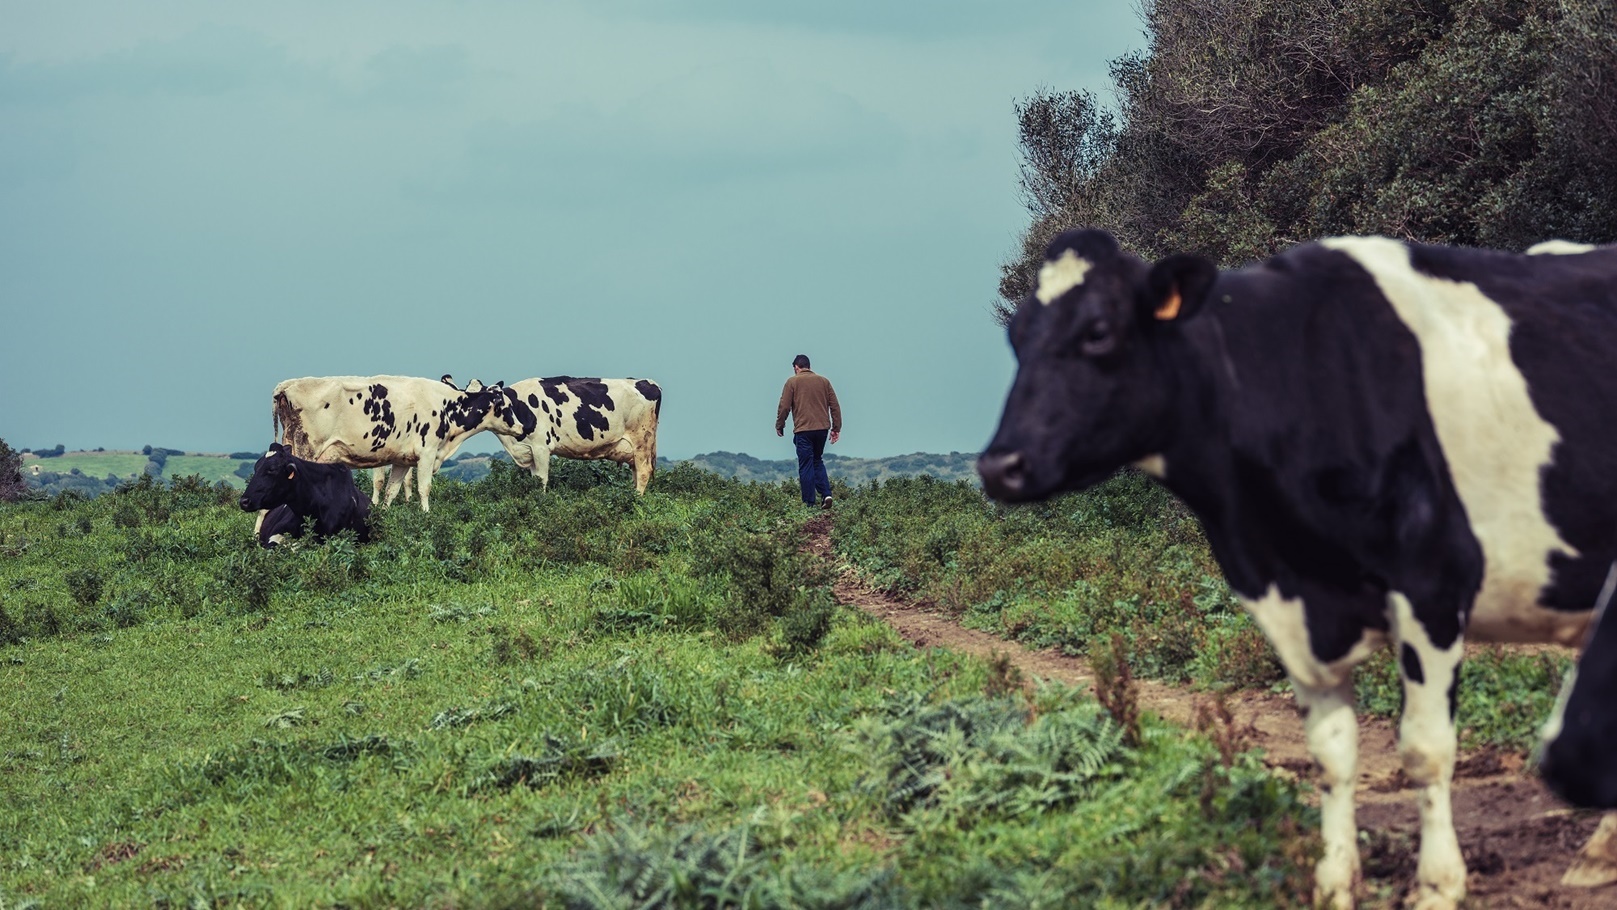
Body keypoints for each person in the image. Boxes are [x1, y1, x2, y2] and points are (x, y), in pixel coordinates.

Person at [775, 354, 842, 509]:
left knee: (805, 464)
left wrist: (780, 424)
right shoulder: (824, 381)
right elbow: (835, 406)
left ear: (796, 367)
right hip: (822, 429)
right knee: (817, 460)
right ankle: (826, 494)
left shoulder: (792, 382)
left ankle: (809, 504)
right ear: (809, 366)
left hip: (803, 429)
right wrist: (836, 428)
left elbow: (784, 406)